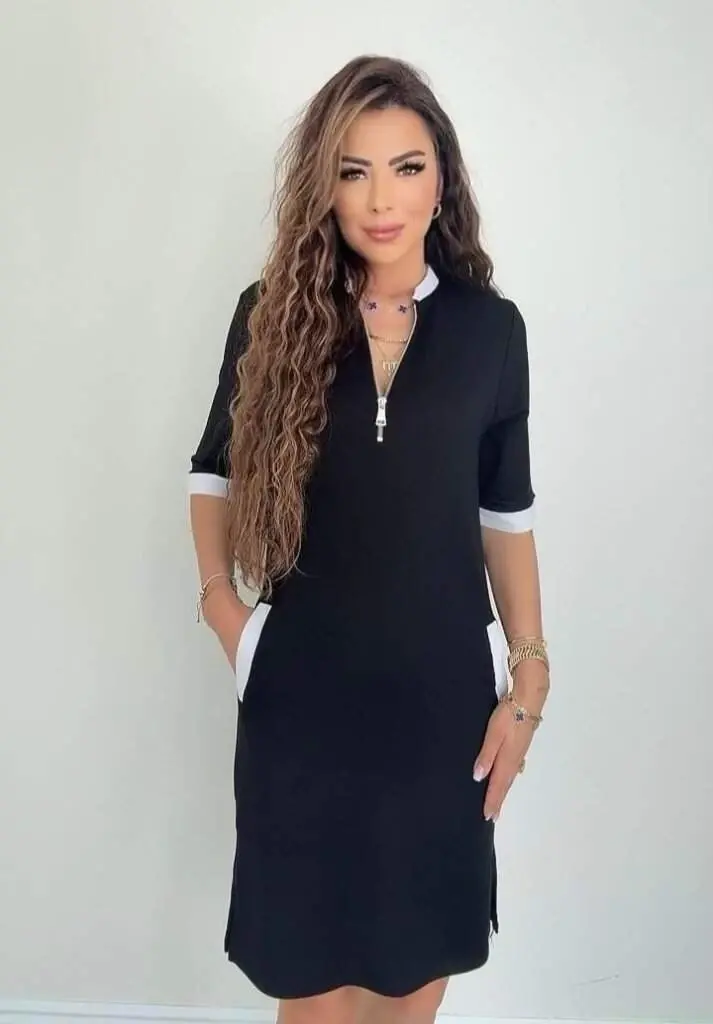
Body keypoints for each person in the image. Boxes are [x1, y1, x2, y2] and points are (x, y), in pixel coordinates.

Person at [188, 54, 550, 1024]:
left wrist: (529, 675)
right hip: (301, 703)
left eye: (405, 166)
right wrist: (227, 615)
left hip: (439, 712)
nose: (381, 199)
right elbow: (213, 474)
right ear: (326, 184)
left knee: (409, 988)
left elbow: (504, 514)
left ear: (441, 179)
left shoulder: (489, 332)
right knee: (312, 993)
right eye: (353, 171)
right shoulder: (270, 315)